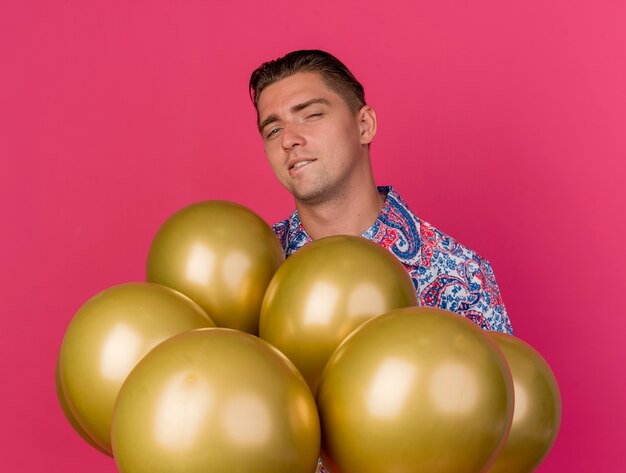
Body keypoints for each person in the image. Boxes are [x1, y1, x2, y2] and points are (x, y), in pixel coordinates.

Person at [249, 49, 512, 335]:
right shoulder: (252, 273)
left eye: (312, 114)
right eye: (273, 130)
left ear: (364, 126)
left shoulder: (460, 275)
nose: (288, 139)